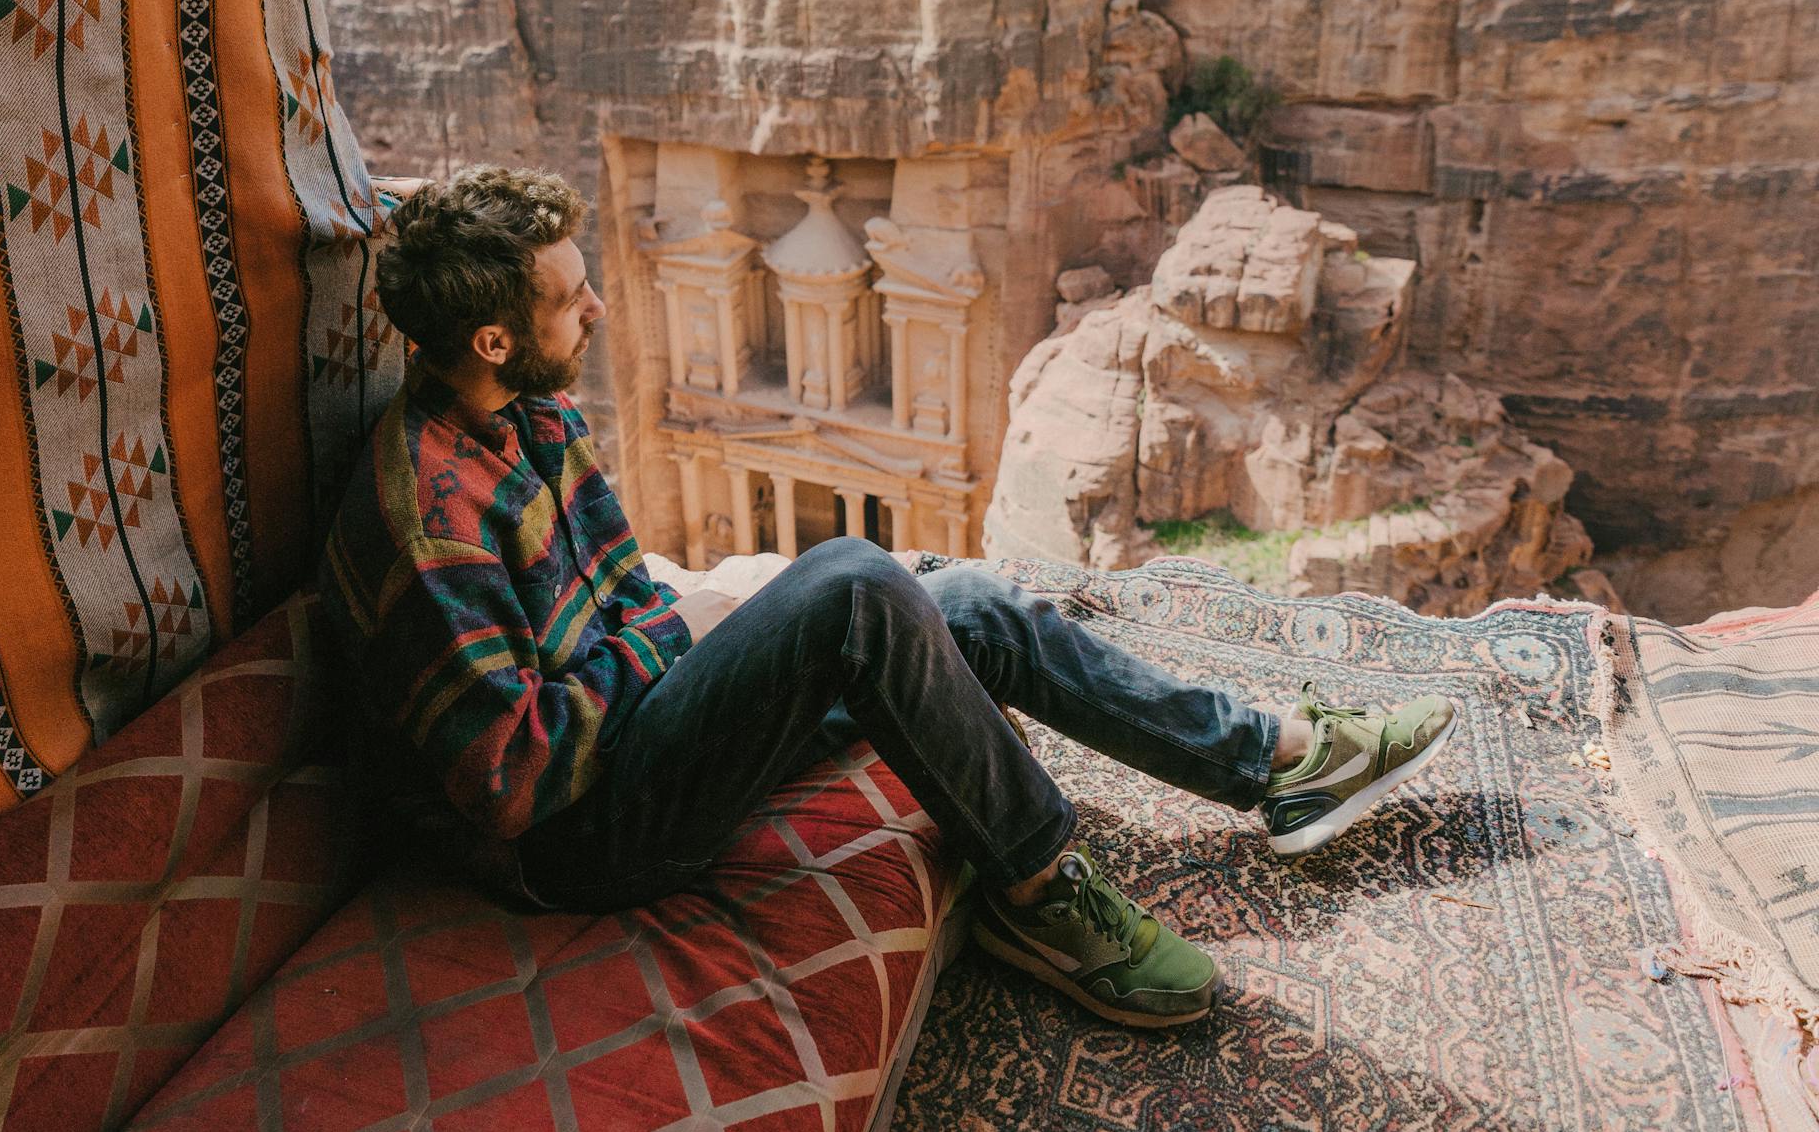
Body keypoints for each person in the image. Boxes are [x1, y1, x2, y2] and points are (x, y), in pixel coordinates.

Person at [321, 166, 1458, 1029]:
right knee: (857, 587)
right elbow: (512, 782)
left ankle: (1274, 755)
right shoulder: (430, 518)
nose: (600, 310)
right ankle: (1041, 889)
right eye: (572, 299)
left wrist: (689, 630)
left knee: (954, 594)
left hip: (643, 730)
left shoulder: (533, 412)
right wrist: (681, 634)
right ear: (492, 336)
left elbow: (623, 594)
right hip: (590, 835)